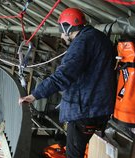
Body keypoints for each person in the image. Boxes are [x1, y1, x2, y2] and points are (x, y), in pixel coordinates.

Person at [19, 8, 116, 158]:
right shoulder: (100, 38)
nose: (61, 34)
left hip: (84, 110)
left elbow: (63, 75)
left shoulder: (81, 43)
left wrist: (34, 95)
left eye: (61, 29)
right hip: (100, 108)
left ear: (67, 27)